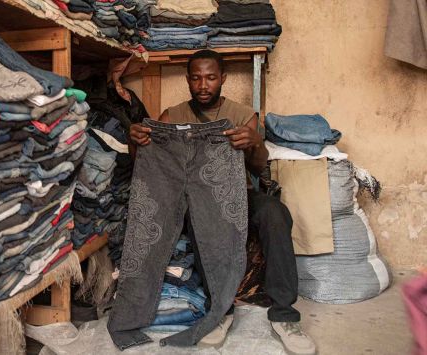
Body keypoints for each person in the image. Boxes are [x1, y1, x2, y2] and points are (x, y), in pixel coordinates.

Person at [129, 50, 316, 355]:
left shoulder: (243, 116)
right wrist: (133, 142)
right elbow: (149, 165)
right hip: (191, 199)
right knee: (203, 218)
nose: (204, 85)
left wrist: (254, 142)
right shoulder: (171, 117)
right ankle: (220, 312)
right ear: (188, 80)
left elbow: (257, 169)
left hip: (237, 195)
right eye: (196, 77)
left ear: (223, 79)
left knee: (275, 213)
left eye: (211, 77)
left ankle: (284, 315)